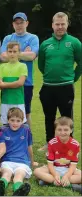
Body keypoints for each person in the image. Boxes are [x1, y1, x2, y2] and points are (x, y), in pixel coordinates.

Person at [38, 12, 81, 151]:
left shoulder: (74, 42)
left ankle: (68, 144)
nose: (60, 27)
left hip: (66, 87)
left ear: (67, 24)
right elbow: (41, 64)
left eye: (63, 24)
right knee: (49, 117)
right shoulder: (45, 44)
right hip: (48, 87)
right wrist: (51, 75)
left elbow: (81, 63)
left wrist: (72, 78)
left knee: (67, 117)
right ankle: (49, 143)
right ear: (52, 25)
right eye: (57, 24)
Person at [1, 12, 39, 127]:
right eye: (16, 23)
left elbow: (32, 56)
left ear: (26, 23)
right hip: (7, 81)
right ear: (13, 24)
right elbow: (3, 57)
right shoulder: (8, 38)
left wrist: (12, 54)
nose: (19, 25)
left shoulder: (33, 38)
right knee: (8, 112)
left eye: (21, 22)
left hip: (26, 83)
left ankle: (28, 140)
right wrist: (23, 53)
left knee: (25, 113)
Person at [0, 107, 35, 196]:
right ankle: (0, 188)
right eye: (12, 120)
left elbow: (29, 146)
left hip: (22, 161)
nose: (15, 123)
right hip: (7, 160)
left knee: (19, 176)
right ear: (8, 120)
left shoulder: (26, 129)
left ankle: (18, 192)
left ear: (22, 121)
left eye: (18, 120)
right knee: (6, 174)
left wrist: (32, 161)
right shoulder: (3, 130)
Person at [34, 117, 81, 191]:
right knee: (37, 172)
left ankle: (49, 182)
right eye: (59, 129)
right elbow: (50, 164)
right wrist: (55, 174)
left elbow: (73, 165)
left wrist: (67, 176)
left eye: (66, 130)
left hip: (68, 169)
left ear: (71, 130)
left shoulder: (75, 144)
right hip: (54, 168)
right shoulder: (52, 143)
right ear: (55, 130)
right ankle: (69, 185)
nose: (62, 132)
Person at [0, 42, 27, 125]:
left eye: (15, 51)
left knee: (19, 124)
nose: (12, 54)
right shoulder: (2, 67)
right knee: (6, 125)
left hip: (18, 101)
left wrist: (5, 84)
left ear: (19, 53)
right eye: (10, 51)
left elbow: (20, 83)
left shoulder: (22, 66)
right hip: (5, 101)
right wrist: (13, 83)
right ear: (6, 52)